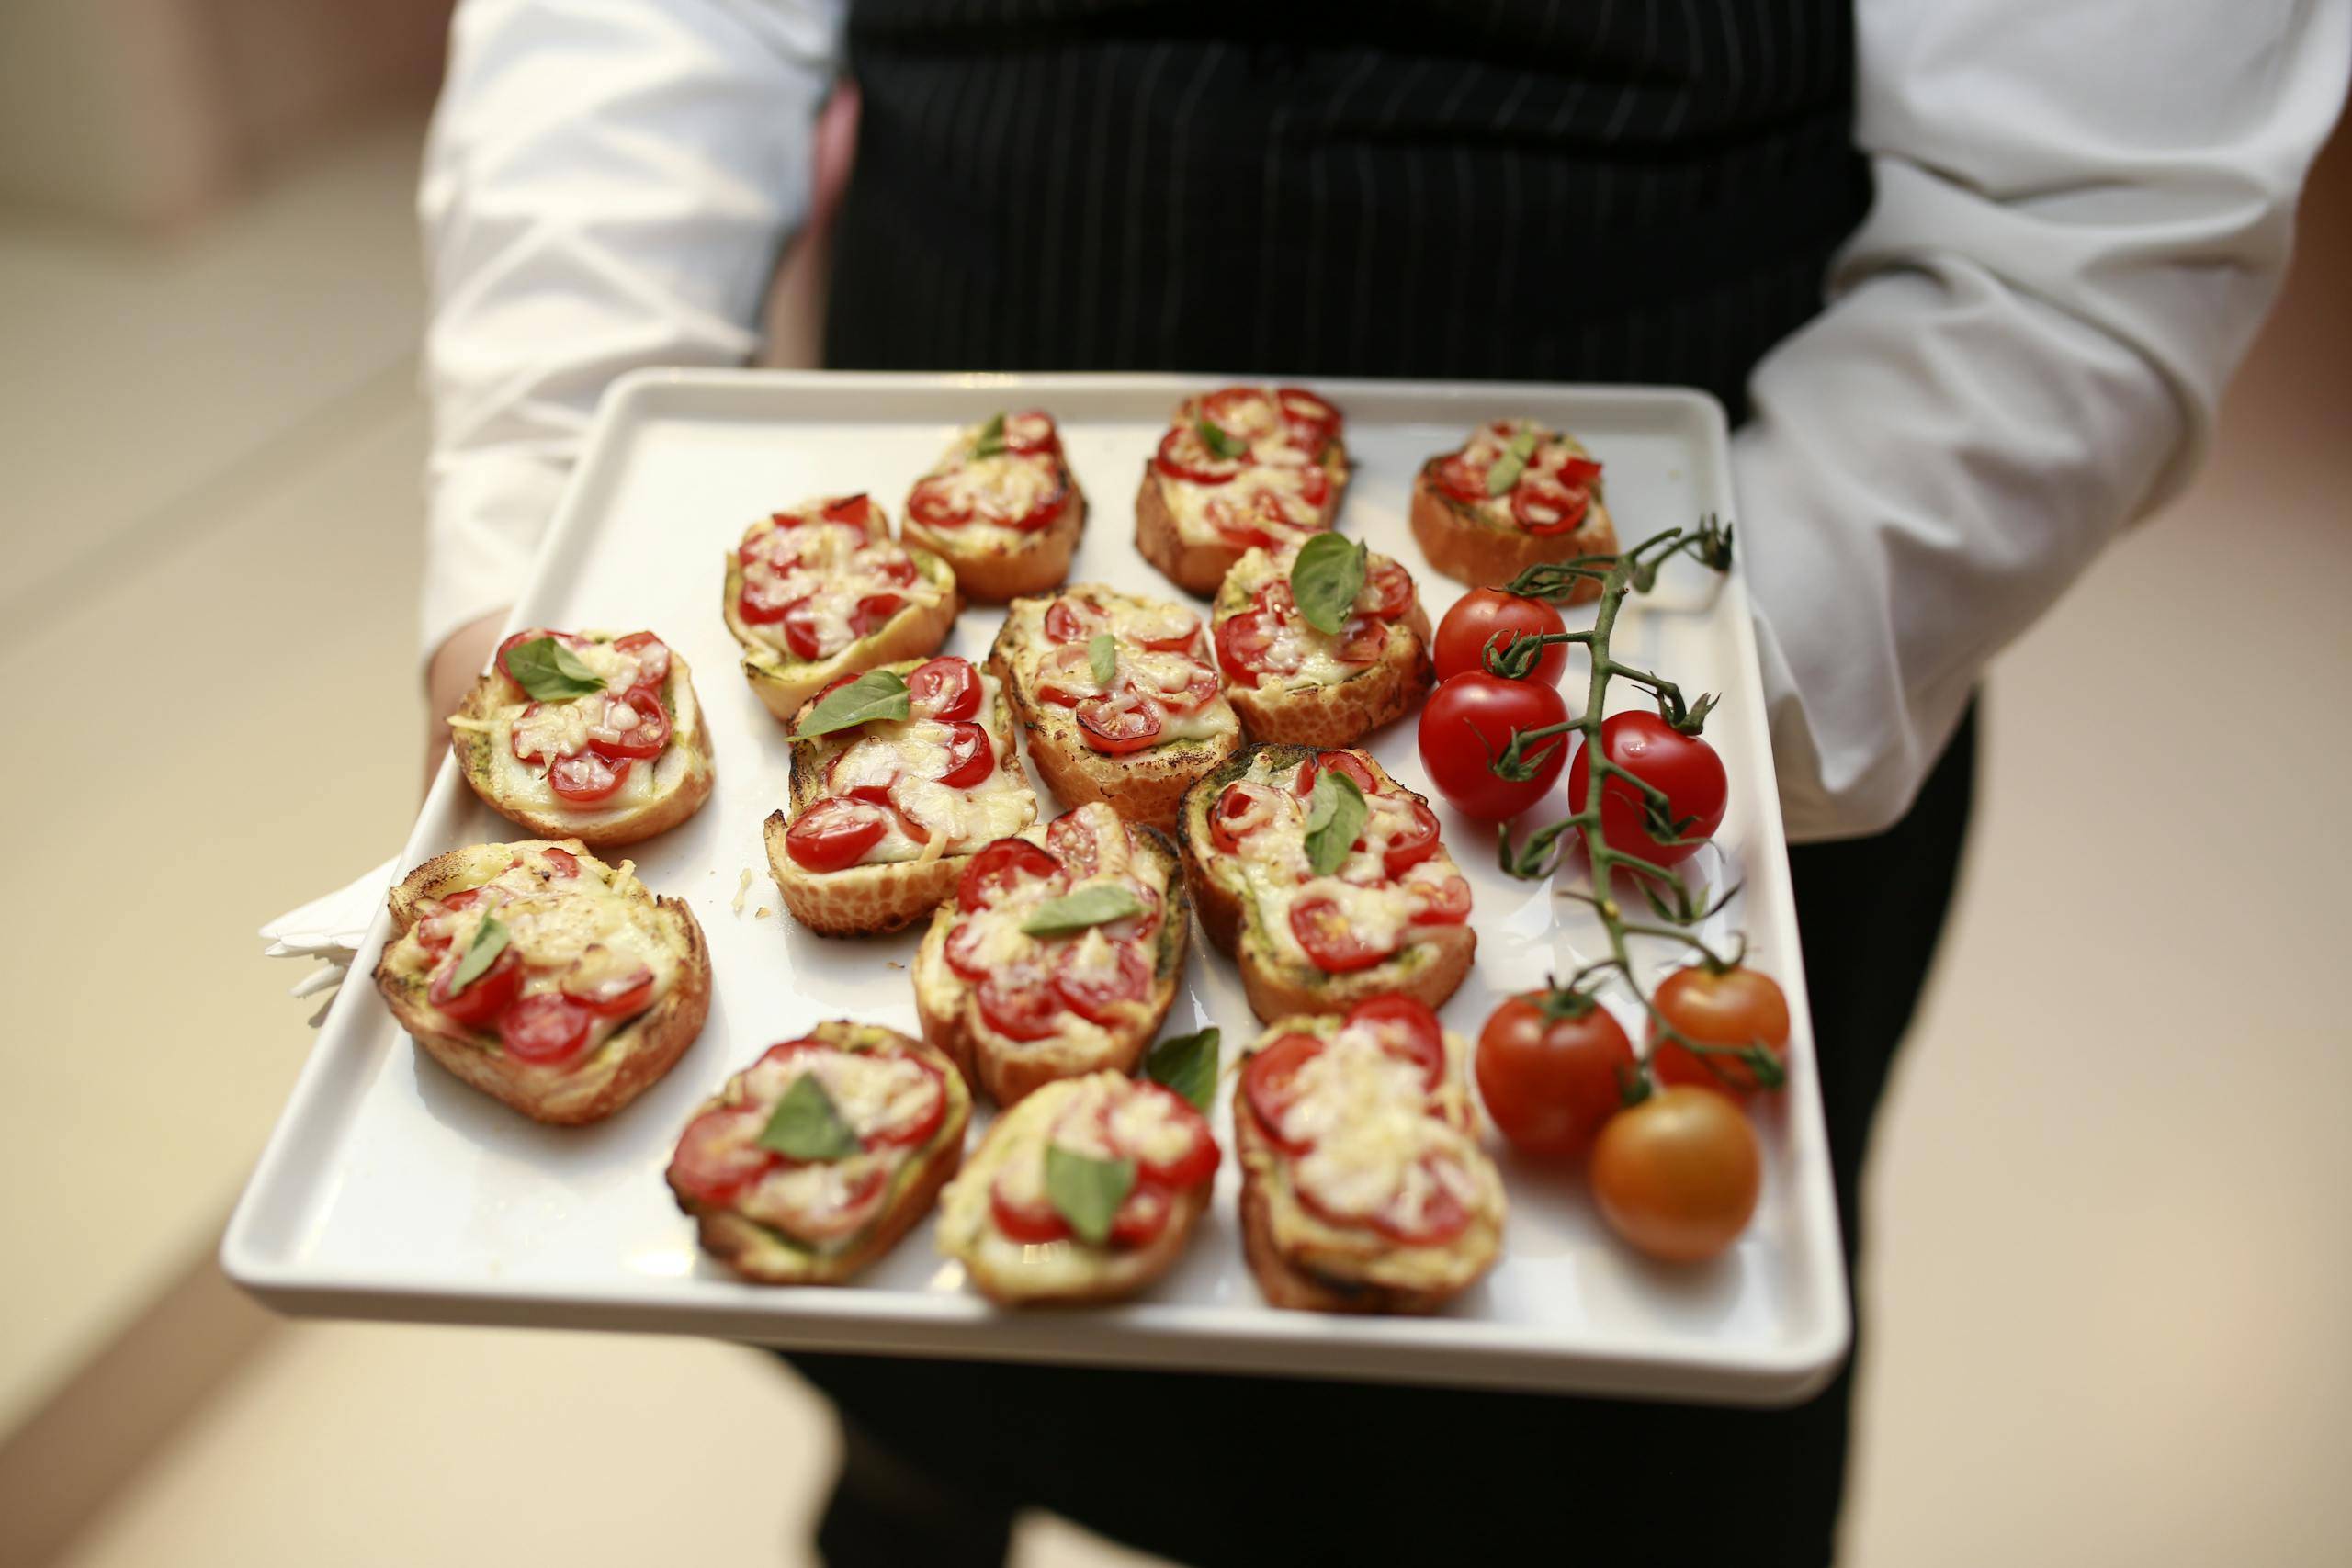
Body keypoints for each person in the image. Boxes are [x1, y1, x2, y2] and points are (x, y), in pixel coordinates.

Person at [414, 3, 2346, 1562]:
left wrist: (1664, 707)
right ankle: (914, 1482)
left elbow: (2084, 229)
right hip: (970, 360)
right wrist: (540, 546)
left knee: (1585, 1472)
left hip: (1694, 589)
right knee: (924, 1375)